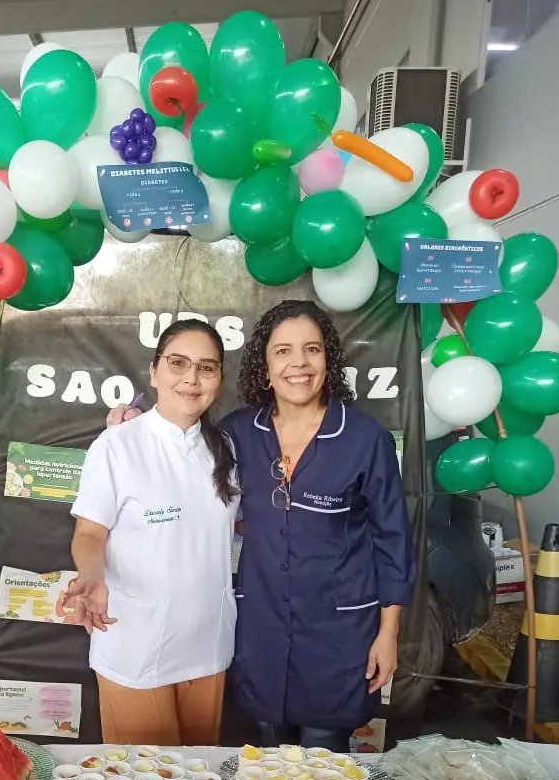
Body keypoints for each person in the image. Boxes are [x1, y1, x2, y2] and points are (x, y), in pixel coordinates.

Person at [108, 299, 416, 751]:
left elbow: (394, 542)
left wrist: (388, 634)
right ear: (265, 366)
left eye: (312, 350)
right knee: (268, 751)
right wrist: (131, 427)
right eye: (283, 351)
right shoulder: (237, 433)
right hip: (262, 626)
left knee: (324, 758)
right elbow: (175, 450)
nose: (299, 363)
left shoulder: (365, 439)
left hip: (339, 634)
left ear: (328, 360)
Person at [67, 319, 239, 745]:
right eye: (178, 363)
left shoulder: (227, 449)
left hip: (207, 644)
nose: (191, 378)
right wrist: (92, 576)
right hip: (136, 644)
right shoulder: (117, 445)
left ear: (219, 379)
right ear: (154, 372)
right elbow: (89, 533)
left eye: (206, 367)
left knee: (198, 779)